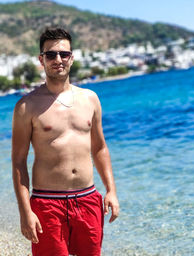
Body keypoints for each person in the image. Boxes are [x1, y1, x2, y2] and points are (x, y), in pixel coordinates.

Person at [11, 27, 119, 256]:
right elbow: (19, 162)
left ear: (71, 57)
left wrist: (111, 191)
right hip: (47, 204)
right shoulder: (26, 107)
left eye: (64, 54)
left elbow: (99, 148)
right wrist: (25, 211)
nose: (58, 59)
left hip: (88, 199)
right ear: (41, 59)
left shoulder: (90, 99)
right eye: (51, 54)